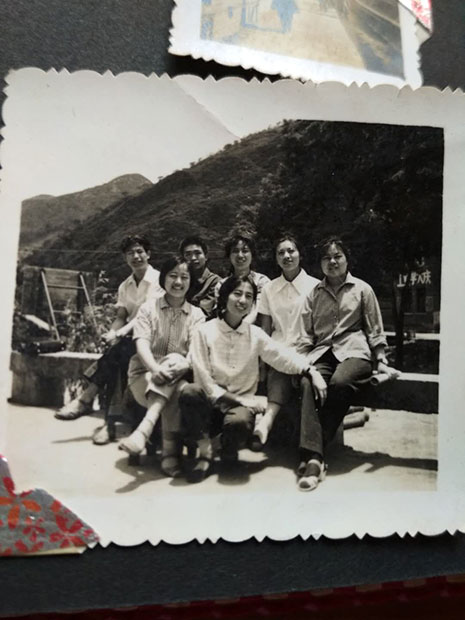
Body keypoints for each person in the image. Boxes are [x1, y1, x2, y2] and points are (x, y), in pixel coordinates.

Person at [178, 275, 326, 483]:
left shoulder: (255, 334)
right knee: (190, 392)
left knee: (238, 422)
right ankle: (205, 453)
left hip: (239, 410)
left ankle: (228, 448)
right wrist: (240, 400)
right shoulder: (204, 331)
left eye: (249, 296)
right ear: (224, 297)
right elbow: (204, 383)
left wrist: (311, 371)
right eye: (237, 294)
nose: (243, 300)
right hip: (210, 404)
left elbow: (282, 357)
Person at [295, 237, 399, 492]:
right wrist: (304, 364)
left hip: (355, 353)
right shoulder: (313, 294)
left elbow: (375, 330)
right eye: (326, 258)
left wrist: (381, 360)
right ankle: (316, 457)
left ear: (346, 260)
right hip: (322, 353)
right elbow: (306, 336)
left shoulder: (362, 289)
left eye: (337, 256)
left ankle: (313, 456)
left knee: (340, 382)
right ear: (320, 263)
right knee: (307, 383)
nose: (332, 262)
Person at [55, 234, 163, 444]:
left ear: (148, 254)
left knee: (118, 352)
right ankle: (107, 423)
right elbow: (121, 317)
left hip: (153, 338)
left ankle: (88, 400)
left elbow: (145, 316)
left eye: (140, 251)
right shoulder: (125, 286)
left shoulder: (158, 280)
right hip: (130, 341)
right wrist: (111, 333)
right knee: (117, 357)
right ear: (125, 257)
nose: (136, 256)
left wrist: (119, 334)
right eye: (130, 253)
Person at [118, 256, 205, 478]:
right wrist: (155, 369)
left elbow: (195, 352)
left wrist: (180, 365)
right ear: (163, 278)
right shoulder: (148, 309)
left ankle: (144, 431)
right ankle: (169, 453)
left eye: (184, 277)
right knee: (175, 385)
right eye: (173, 276)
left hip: (179, 373)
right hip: (143, 377)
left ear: (191, 281)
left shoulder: (197, 315)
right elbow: (141, 344)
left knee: (176, 365)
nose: (178, 282)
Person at [253, 233, 320, 447]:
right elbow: (265, 329)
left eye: (291, 251)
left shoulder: (316, 286)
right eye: (281, 252)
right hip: (278, 351)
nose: (286, 256)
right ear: (276, 258)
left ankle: (268, 421)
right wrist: (262, 363)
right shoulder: (269, 289)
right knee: (279, 364)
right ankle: (266, 426)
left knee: (299, 375)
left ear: (300, 254)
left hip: (308, 352)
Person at [216, 231, 270, 324]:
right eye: (235, 251)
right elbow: (221, 314)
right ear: (229, 255)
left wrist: (240, 328)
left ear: (252, 254)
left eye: (245, 251)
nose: (240, 255)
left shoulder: (262, 281)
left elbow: (257, 311)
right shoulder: (221, 285)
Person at [179, 236, 221, 318]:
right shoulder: (179, 280)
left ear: (206, 256)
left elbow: (204, 312)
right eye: (188, 254)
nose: (193, 258)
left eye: (197, 253)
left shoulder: (215, 282)